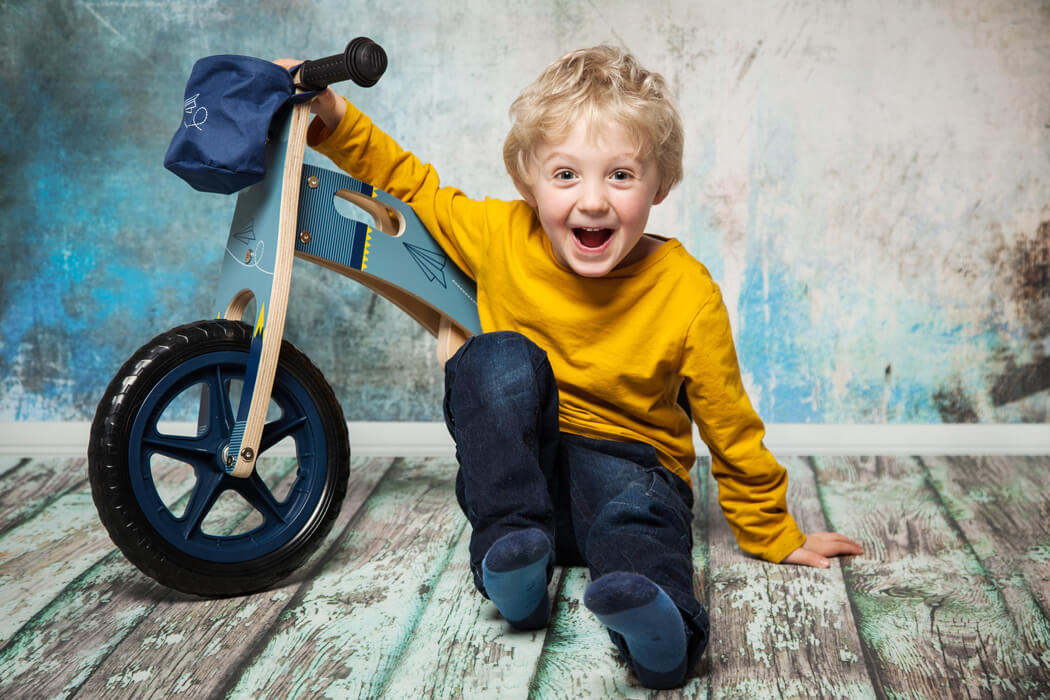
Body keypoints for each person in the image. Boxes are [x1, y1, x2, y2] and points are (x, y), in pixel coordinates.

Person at [276, 45, 862, 689]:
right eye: (565, 175)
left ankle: (658, 629)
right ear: (527, 179)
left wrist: (771, 528)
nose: (592, 202)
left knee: (638, 529)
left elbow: (729, 420)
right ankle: (515, 567)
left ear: (660, 184)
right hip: (527, 479)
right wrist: (332, 114)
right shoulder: (498, 233)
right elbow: (407, 183)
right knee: (494, 358)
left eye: (620, 175)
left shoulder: (686, 291)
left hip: (632, 471)